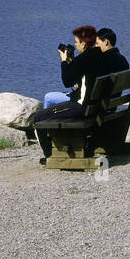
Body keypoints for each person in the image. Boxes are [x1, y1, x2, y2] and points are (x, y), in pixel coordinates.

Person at [34, 25, 101, 162]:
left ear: (83, 43)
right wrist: (73, 63)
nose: (76, 46)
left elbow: (67, 81)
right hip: (96, 106)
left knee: (39, 117)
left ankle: (50, 155)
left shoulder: (83, 59)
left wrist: (64, 61)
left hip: (82, 107)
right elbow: (84, 76)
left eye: (77, 43)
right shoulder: (98, 54)